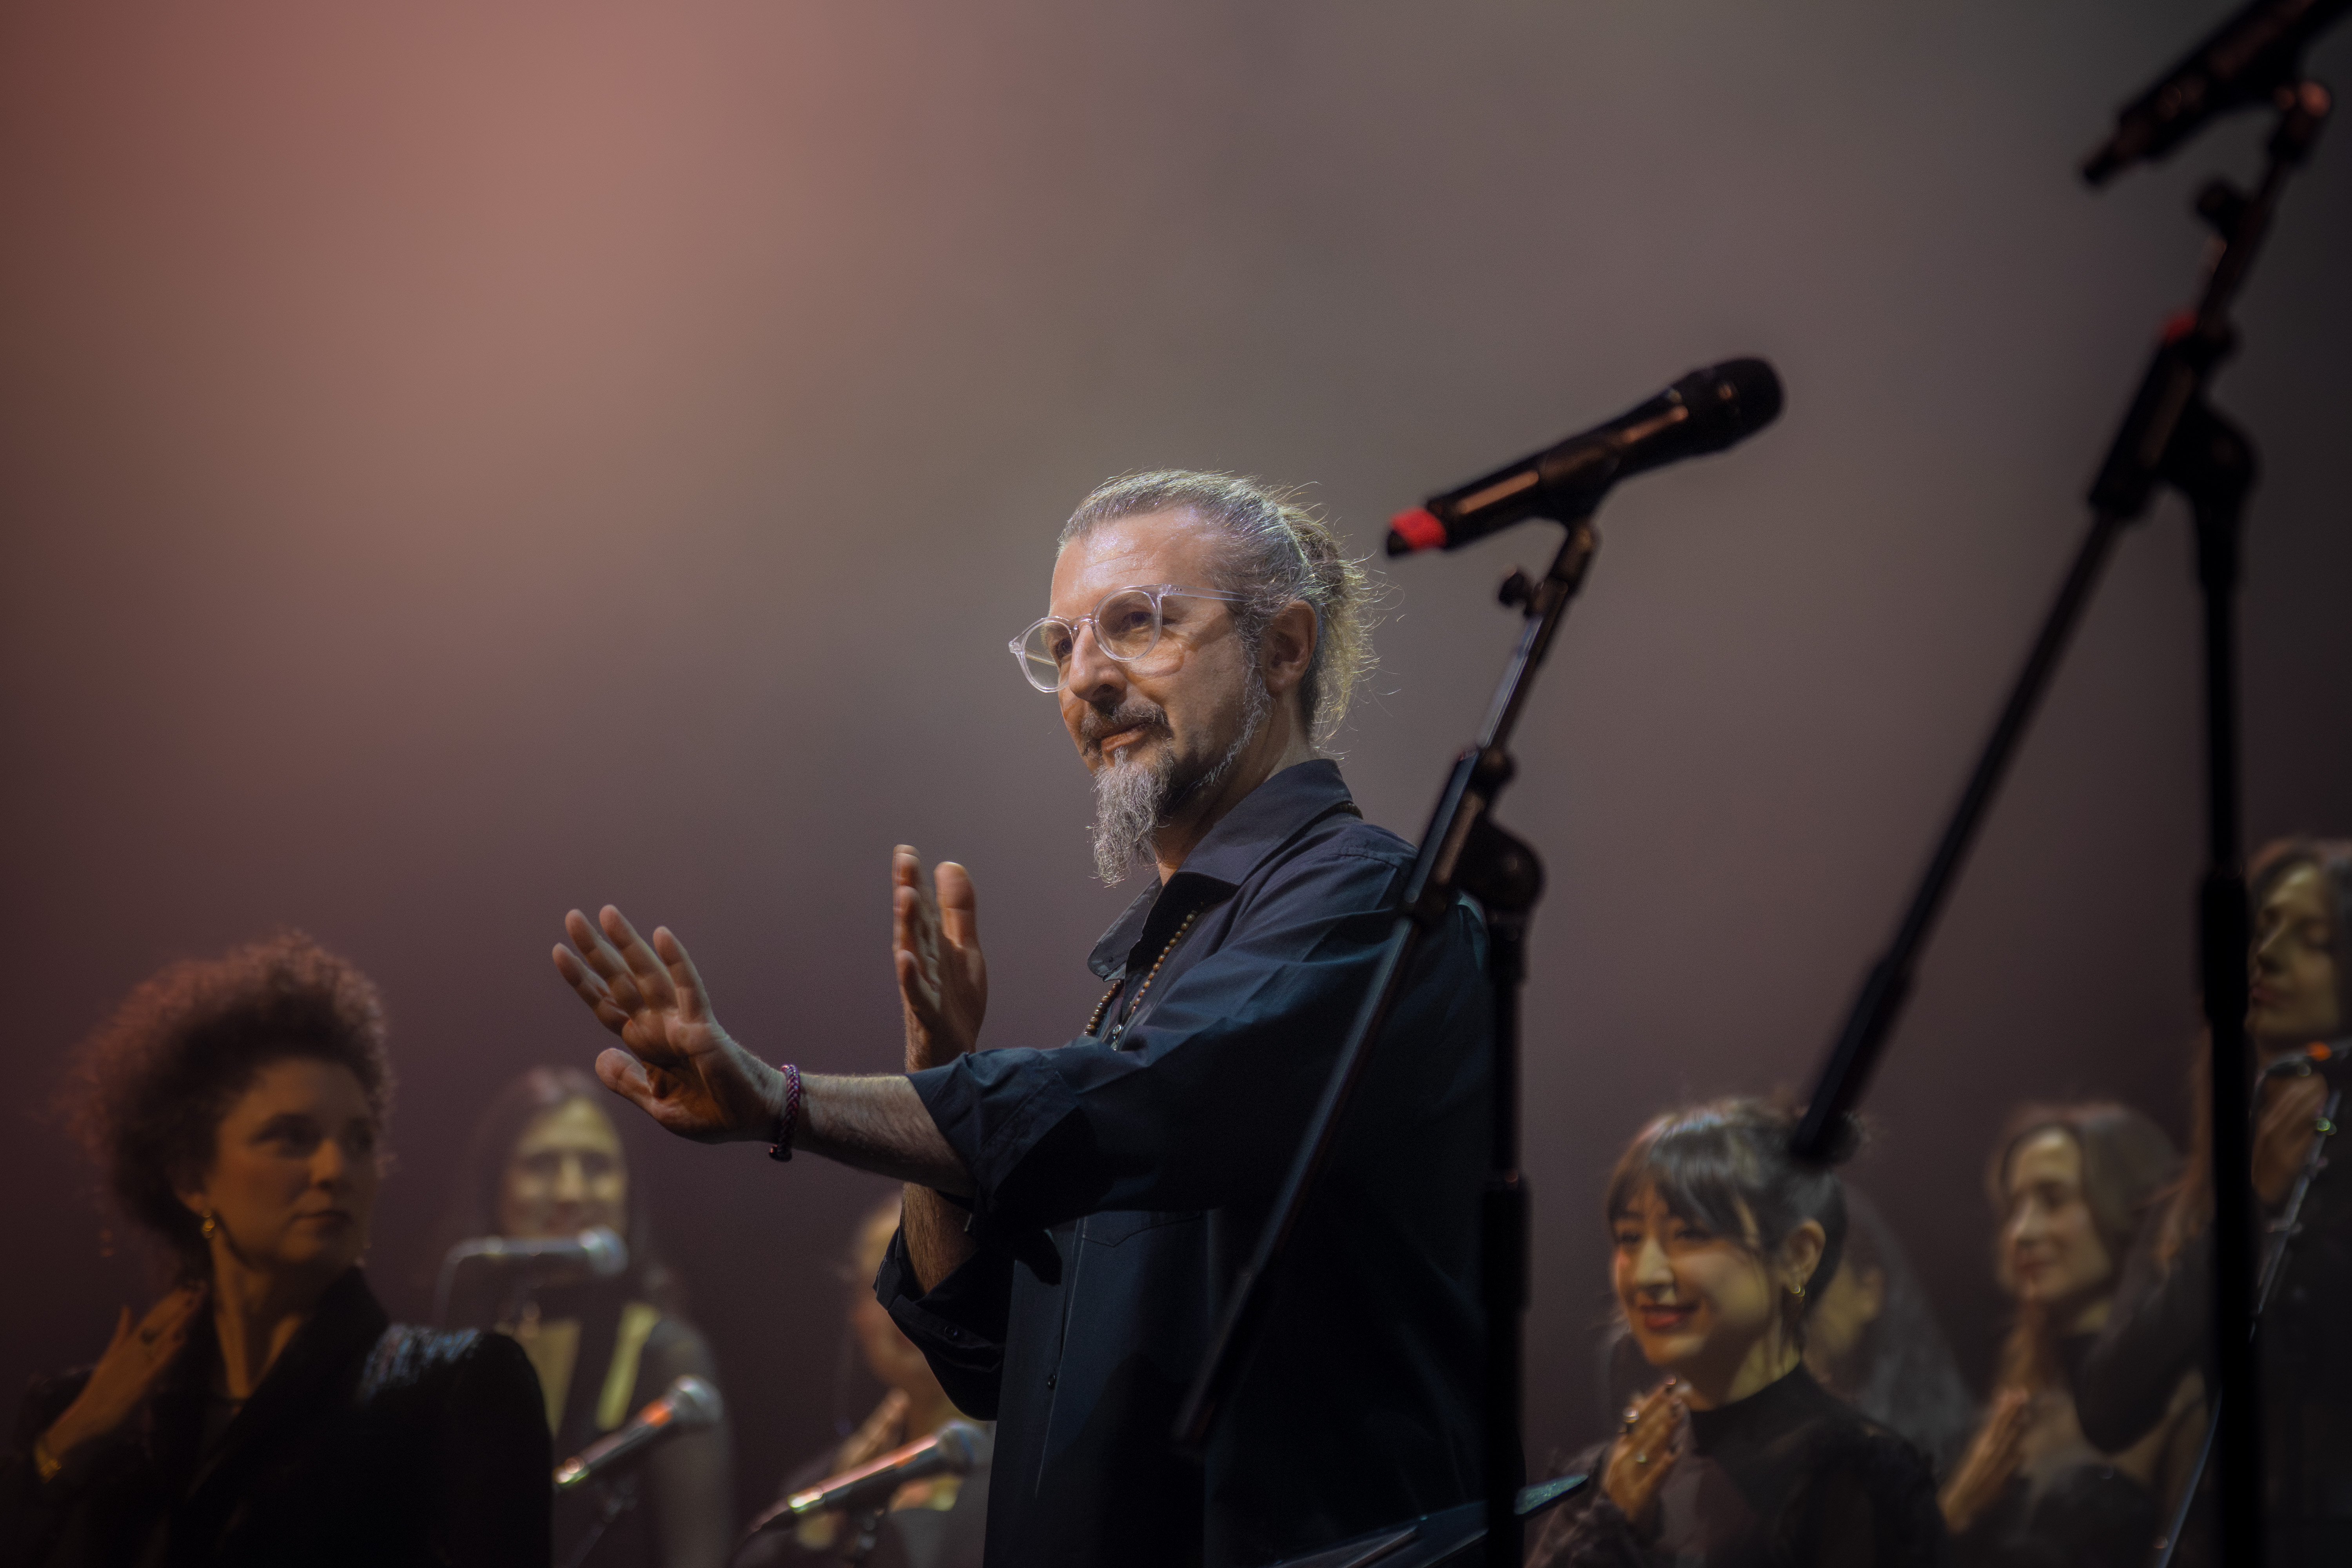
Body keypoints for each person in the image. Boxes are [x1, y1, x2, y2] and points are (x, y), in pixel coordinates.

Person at [551, 470, 1494, 1566]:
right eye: (1063, 643)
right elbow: (986, 1361)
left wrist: (783, 1101)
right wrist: (941, 1065)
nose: (1087, 677)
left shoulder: (1372, 901)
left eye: (1139, 623)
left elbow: (1152, 1104)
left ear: (1283, 648)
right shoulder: (1151, 974)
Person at [0, 933, 549, 1568]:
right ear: (190, 1178)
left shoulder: (456, 1388)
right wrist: (64, 1451)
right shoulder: (83, 1416)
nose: (335, 1170)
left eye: (360, 1140)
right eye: (292, 1137)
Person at [2073, 837, 2352, 1566]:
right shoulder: (2196, 1194)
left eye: (2315, 939)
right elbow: (2107, 1404)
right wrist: (2248, 1205)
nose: (2267, 954)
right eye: (2265, 927)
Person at [1526, 1098, 1949, 1568]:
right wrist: (1611, 1524)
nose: (1646, 1274)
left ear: (1798, 1254)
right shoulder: (1607, 1481)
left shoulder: (1857, 1482)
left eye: (1690, 1233)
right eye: (1629, 1238)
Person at [437, 1065, 734, 1568]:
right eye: (541, 1164)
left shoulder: (667, 1356)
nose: (571, 1191)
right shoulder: (460, 1345)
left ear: (629, 1189)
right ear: (495, 1183)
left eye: (596, 1165)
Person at [1938, 1103, 2194, 1568]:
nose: (2022, 1231)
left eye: (2053, 1200)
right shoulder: (2015, 1402)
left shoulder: (2180, 1397)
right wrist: (1955, 1509)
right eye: (2013, 1209)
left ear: (2127, 1204)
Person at [1598, 1187, 1976, 1479]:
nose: (1793, 1295)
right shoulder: (1711, 1435)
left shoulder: (1950, 1439)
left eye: (1813, 1273)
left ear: (1870, 1292)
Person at [735, 1196, 987, 1568]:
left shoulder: (1027, 1478)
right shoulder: (823, 1485)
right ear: (855, 1316)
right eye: (882, 1278)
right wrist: (821, 1529)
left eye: (926, 1274)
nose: (905, 1302)